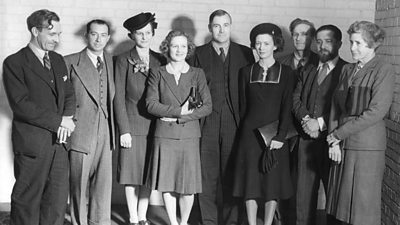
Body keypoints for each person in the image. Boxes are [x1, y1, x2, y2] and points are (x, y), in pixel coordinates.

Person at [2, 9, 75, 225]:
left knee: (56, 202)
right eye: (52, 34)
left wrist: (68, 117)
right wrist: (59, 121)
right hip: (32, 146)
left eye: (59, 34)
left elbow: (70, 94)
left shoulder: (58, 60)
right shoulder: (14, 63)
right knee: (27, 201)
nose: (57, 39)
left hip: (59, 146)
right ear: (35, 31)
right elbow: (21, 105)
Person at [189, 9, 255, 225]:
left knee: (232, 172)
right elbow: (191, 89)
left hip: (235, 121)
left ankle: (231, 221)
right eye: (216, 25)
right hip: (206, 121)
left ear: (231, 26)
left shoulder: (245, 53)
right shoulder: (197, 53)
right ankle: (207, 220)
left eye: (225, 25)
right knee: (206, 174)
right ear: (210, 28)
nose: (221, 29)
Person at [326, 21, 394, 225]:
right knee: (340, 208)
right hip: (342, 146)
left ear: (373, 45)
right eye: (351, 42)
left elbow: (376, 112)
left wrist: (337, 134)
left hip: (367, 148)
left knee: (362, 209)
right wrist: (334, 142)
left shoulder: (383, 69)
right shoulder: (347, 69)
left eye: (358, 43)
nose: (352, 48)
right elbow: (335, 106)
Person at [146, 30, 212, 225]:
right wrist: (178, 111)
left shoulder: (197, 73)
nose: (179, 50)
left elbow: (208, 106)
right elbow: (150, 104)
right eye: (175, 45)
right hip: (164, 137)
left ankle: (183, 222)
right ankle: (174, 223)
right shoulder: (157, 73)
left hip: (189, 136)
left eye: (183, 46)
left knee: (188, 186)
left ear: (189, 49)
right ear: (167, 48)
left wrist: (179, 117)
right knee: (167, 183)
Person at [232, 23, 294, 225]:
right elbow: (242, 106)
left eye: (266, 43)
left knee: (272, 184)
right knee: (250, 183)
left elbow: (287, 107)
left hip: (275, 137)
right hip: (249, 137)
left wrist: (280, 136)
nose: (261, 47)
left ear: (275, 45)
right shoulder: (245, 72)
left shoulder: (287, 73)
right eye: (258, 43)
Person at [114, 12, 167, 225]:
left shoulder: (161, 60)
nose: (144, 37)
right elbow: (118, 97)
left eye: (148, 33)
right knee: (130, 174)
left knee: (148, 173)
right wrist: (123, 129)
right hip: (133, 125)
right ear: (131, 35)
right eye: (139, 33)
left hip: (155, 126)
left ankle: (143, 215)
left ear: (153, 34)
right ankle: (133, 217)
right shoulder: (122, 60)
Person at [292, 24, 348, 225]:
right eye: (319, 41)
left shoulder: (347, 70)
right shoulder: (307, 69)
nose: (322, 45)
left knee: (333, 196)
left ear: (339, 44)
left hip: (333, 142)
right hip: (306, 142)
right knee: (303, 196)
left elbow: (346, 107)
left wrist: (321, 123)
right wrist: (307, 120)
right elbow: (295, 98)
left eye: (328, 41)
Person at [64, 19, 115, 225]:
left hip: (106, 130)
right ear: (86, 36)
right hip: (80, 130)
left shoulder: (113, 62)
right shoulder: (70, 61)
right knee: (79, 184)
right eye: (94, 34)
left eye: (103, 35)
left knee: (103, 186)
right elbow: (61, 99)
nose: (98, 39)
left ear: (108, 38)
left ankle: (100, 222)